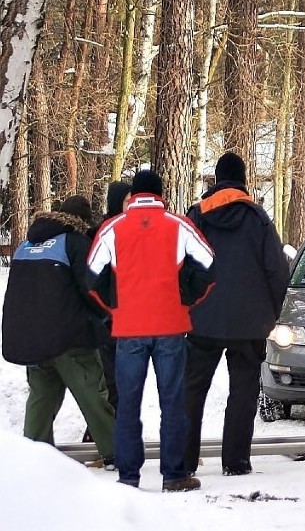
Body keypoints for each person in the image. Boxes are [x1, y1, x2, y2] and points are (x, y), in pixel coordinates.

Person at [87, 170, 215, 492]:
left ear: (133, 195)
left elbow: (91, 276)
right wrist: (188, 298)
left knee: (128, 404)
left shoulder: (113, 228)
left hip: (129, 329)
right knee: (172, 402)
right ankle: (174, 474)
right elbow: (210, 264)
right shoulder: (178, 225)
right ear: (161, 195)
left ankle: (128, 476)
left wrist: (114, 307)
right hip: (170, 325)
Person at [183, 153, 289, 477]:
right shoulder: (257, 218)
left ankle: (184, 461)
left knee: (191, 391)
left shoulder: (196, 216)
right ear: (244, 180)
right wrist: (271, 313)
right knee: (243, 392)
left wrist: (187, 305)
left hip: (203, 320)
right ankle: (236, 461)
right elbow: (277, 270)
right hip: (249, 323)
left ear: (216, 180)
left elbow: (181, 264)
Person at [2, 196, 115, 467]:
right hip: (70, 337)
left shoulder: (26, 245)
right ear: (83, 221)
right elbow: (92, 288)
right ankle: (115, 452)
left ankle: (32, 454)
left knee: (41, 398)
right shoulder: (76, 243)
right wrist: (106, 316)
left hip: (33, 339)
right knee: (92, 396)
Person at [82, 181, 132, 445]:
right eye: (127, 201)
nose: (131, 206)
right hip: (106, 317)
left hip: (124, 317)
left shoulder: (130, 228)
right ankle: (102, 436)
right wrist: (106, 310)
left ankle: (110, 435)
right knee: (111, 381)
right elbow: (91, 279)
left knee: (121, 382)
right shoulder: (101, 232)